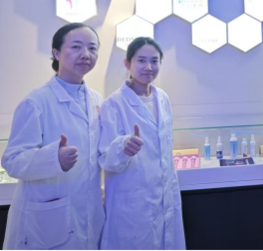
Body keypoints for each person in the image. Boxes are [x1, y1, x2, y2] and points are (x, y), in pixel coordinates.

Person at [1, 23, 104, 250]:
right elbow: (12, 161)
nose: (86, 54)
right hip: (47, 217)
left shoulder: (97, 100)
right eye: (76, 47)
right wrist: (53, 159)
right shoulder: (36, 102)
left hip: (87, 211)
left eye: (92, 48)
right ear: (56, 53)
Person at [98, 37, 186, 250]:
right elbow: (105, 158)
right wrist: (123, 148)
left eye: (154, 61)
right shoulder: (114, 103)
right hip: (132, 200)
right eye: (141, 60)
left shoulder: (162, 98)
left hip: (164, 195)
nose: (149, 67)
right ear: (127, 64)